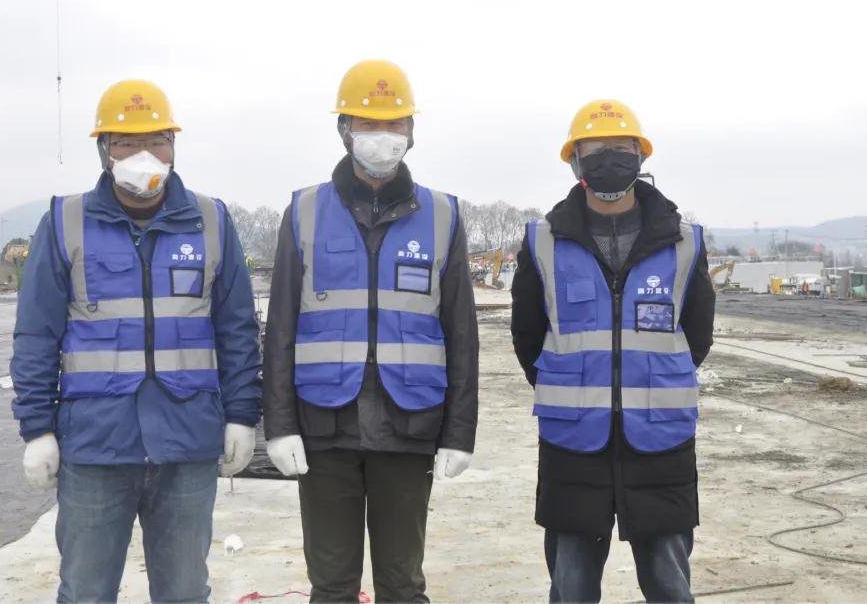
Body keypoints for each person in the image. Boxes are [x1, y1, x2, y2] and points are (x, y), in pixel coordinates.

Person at [9, 79, 262, 603]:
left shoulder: (211, 221)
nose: (143, 154)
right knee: (86, 592)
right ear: (105, 150)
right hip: (96, 447)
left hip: (186, 442)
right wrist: (37, 428)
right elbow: (37, 333)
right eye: (126, 142)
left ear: (174, 145)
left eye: (156, 141)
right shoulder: (65, 222)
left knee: (184, 593)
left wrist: (242, 415)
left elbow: (237, 328)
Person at [263, 59, 479, 602]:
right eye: (368, 124)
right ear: (344, 130)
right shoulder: (304, 211)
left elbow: (460, 334)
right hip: (324, 428)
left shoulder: (442, 215)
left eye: (393, 124)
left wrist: (459, 432)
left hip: (409, 427)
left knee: (403, 585)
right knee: (332, 586)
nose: (382, 136)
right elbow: (281, 328)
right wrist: (279, 426)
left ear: (411, 131)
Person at [511, 100, 715, 603]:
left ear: (640, 157)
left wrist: (651, 382)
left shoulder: (684, 242)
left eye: (621, 148)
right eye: (596, 149)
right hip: (573, 443)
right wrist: (576, 386)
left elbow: (697, 336)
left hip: (661, 442)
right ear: (575, 159)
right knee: (572, 586)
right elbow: (527, 336)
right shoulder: (543, 242)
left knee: (669, 585)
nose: (609, 158)